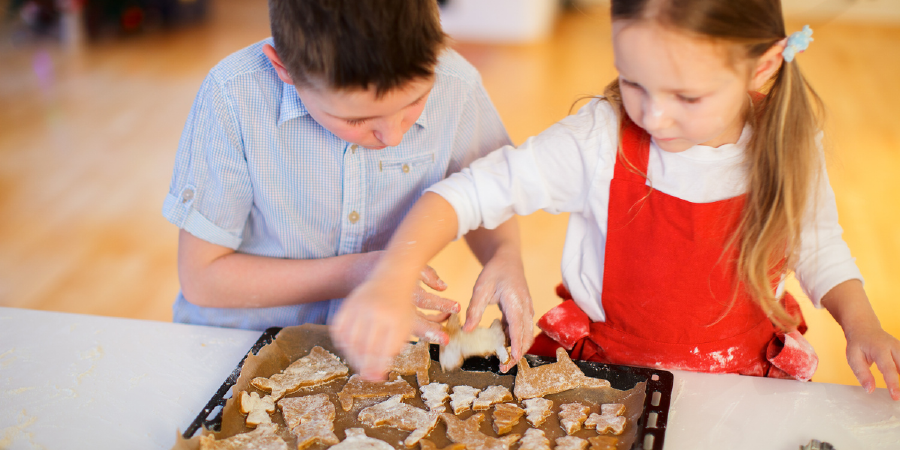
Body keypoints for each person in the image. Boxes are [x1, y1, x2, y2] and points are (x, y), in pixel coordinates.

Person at [331, 0, 900, 400]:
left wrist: (862, 325)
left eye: (687, 95)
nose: (652, 115)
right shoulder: (600, 140)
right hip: (607, 382)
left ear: (764, 66)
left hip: (740, 381)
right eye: (633, 81)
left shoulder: (791, 143)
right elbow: (466, 194)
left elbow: (819, 246)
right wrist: (391, 274)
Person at [161, 0, 533, 357]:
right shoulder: (233, 97)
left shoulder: (458, 86)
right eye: (357, 120)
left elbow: (485, 195)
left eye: (415, 101)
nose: (393, 137)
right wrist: (369, 272)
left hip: (371, 352)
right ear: (284, 68)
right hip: (233, 346)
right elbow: (202, 279)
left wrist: (505, 255)